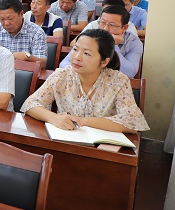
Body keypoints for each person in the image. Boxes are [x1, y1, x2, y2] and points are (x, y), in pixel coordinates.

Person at [21, 29, 149, 133]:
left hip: (102, 147)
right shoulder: (62, 75)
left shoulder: (118, 81)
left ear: (104, 62)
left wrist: (82, 121)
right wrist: (53, 118)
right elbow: (31, 103)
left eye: (87, 53)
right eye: (75, 49)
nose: (76, 57)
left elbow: (132, 122)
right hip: (66, 140)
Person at [60, 5, 143, 78]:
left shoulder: (133, 42)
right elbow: (64, 64)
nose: (105, 29)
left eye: (111, 25)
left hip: (113, 85)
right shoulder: (89, 37)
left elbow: (130, 73)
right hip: (85, 80)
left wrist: (113, 45)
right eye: (102, 23)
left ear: (124, 28)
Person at [0, 0, 47, 68]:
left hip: (24, 72)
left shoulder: (36, 32)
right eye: (2, 19)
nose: (6, 23)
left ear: (21, 14)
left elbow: (43, 64)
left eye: (10, 18)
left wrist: (27, 56)